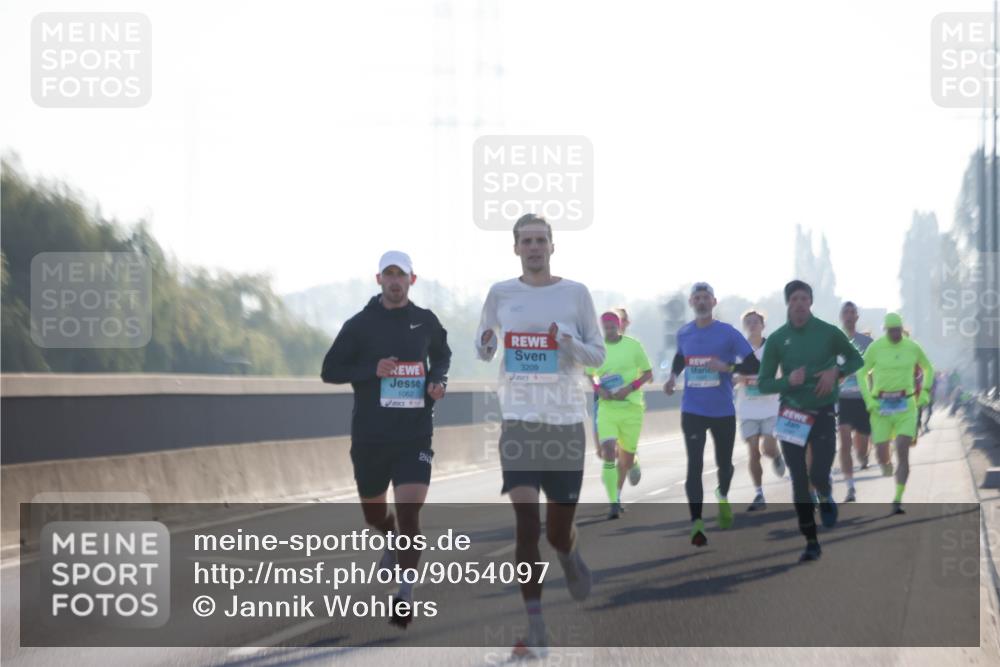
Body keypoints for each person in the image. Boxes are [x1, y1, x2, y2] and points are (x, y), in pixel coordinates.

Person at [475, 213, 605, 659]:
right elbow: (483, 344)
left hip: (566, 422)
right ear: (515, 248)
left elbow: (598, 355)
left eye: (541, 240)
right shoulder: (501, 294)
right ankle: (536, 629)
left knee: (556, 531)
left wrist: (565, 342)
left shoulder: (575, 295)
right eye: (526, 241)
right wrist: (489, 344)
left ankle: (569, 554)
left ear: (553, 247)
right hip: (519, 421)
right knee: (526, 524)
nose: (534, 247)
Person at [320, 250, 451, 628]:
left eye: (402, 275)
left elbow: (442, 355)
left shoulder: (425, 322)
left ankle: (405, 593)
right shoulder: (359, 325)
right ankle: (390, 536)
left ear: (413, 279)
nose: (395, 281)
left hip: (414, 434)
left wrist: (437, 381)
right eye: (389, 274)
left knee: (410, 511)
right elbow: (329, 370)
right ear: (378, 279)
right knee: (375, 515)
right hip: (371, 436)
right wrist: (370, 370)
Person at [757, 280, 864, 562]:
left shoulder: (828, 333)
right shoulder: (779, 339)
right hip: (791, 414)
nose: (799, 303)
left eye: (804, 298)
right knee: (799, 480)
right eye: (794, 299)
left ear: (811, 303)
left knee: (818, 473)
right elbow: (764, 383)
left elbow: (856, 359)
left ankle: (826, 494)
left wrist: (836, 373)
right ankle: (810, 540)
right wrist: (787, 381)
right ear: (788, 304)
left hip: (823, 411)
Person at [663, 282, 760, 547]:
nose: (702, 302)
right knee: (694, 465)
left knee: (724, 464)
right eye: (697, 298)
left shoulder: (727, 333)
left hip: (722, 410)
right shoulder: (684, 333)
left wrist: (726, 366)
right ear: (692, 303)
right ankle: (697, 522)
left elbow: (754, 364)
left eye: (706, 297)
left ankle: (723, 494)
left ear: (714, 302)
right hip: (692, 408)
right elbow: (681, 357)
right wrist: (673, 376)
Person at [858, 313, 934, 515]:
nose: (894, 334)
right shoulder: (876, 347)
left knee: (903, 448)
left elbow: (928, 368)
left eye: (897, 330)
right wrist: (869, 400)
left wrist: (925, 392)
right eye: (890, 330)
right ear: (885, 330)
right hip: (881, 406)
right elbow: (860, 373)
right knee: (882, 454)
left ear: (902, 329)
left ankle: (898, 498)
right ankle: (885, 462)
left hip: (906, 405)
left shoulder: (912, 347)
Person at [586, 311, 653, 519]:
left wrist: (630, 387)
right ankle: (614, 501)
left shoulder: (633, 346)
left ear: (619, 327)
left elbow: (648, 373)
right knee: (607, 451)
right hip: (608, 408)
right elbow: (591, 374)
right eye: (605, 327)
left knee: (625, 458)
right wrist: (598, 389)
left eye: (612, 327)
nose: (609, 331)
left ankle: (628, 470)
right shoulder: (597, 348)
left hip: (631, 408)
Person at [734, 310, 785, 512]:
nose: (753, 325)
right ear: (745, 326)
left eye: (756, 322)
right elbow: (731, 372)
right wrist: (738, 378)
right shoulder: (738, 349)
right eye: (749, 322)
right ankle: (758, 493)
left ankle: (777, 455)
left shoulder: (772, 347)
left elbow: (782, 373)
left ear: (763, 325)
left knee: (769, 449)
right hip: (747, 407)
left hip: (771, 406)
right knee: (753, 451)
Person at [836, 301, 874, 502]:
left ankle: (864, 455)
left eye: (852, 312)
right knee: (844, 442)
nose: (849, 316)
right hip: (842, 399)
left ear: (857, 317)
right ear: (841, 316)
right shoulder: (834, 341)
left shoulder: (867, 343)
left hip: (863, 398)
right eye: (846, 312)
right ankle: (850, 487)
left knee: (860, 445)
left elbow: (877, 369)